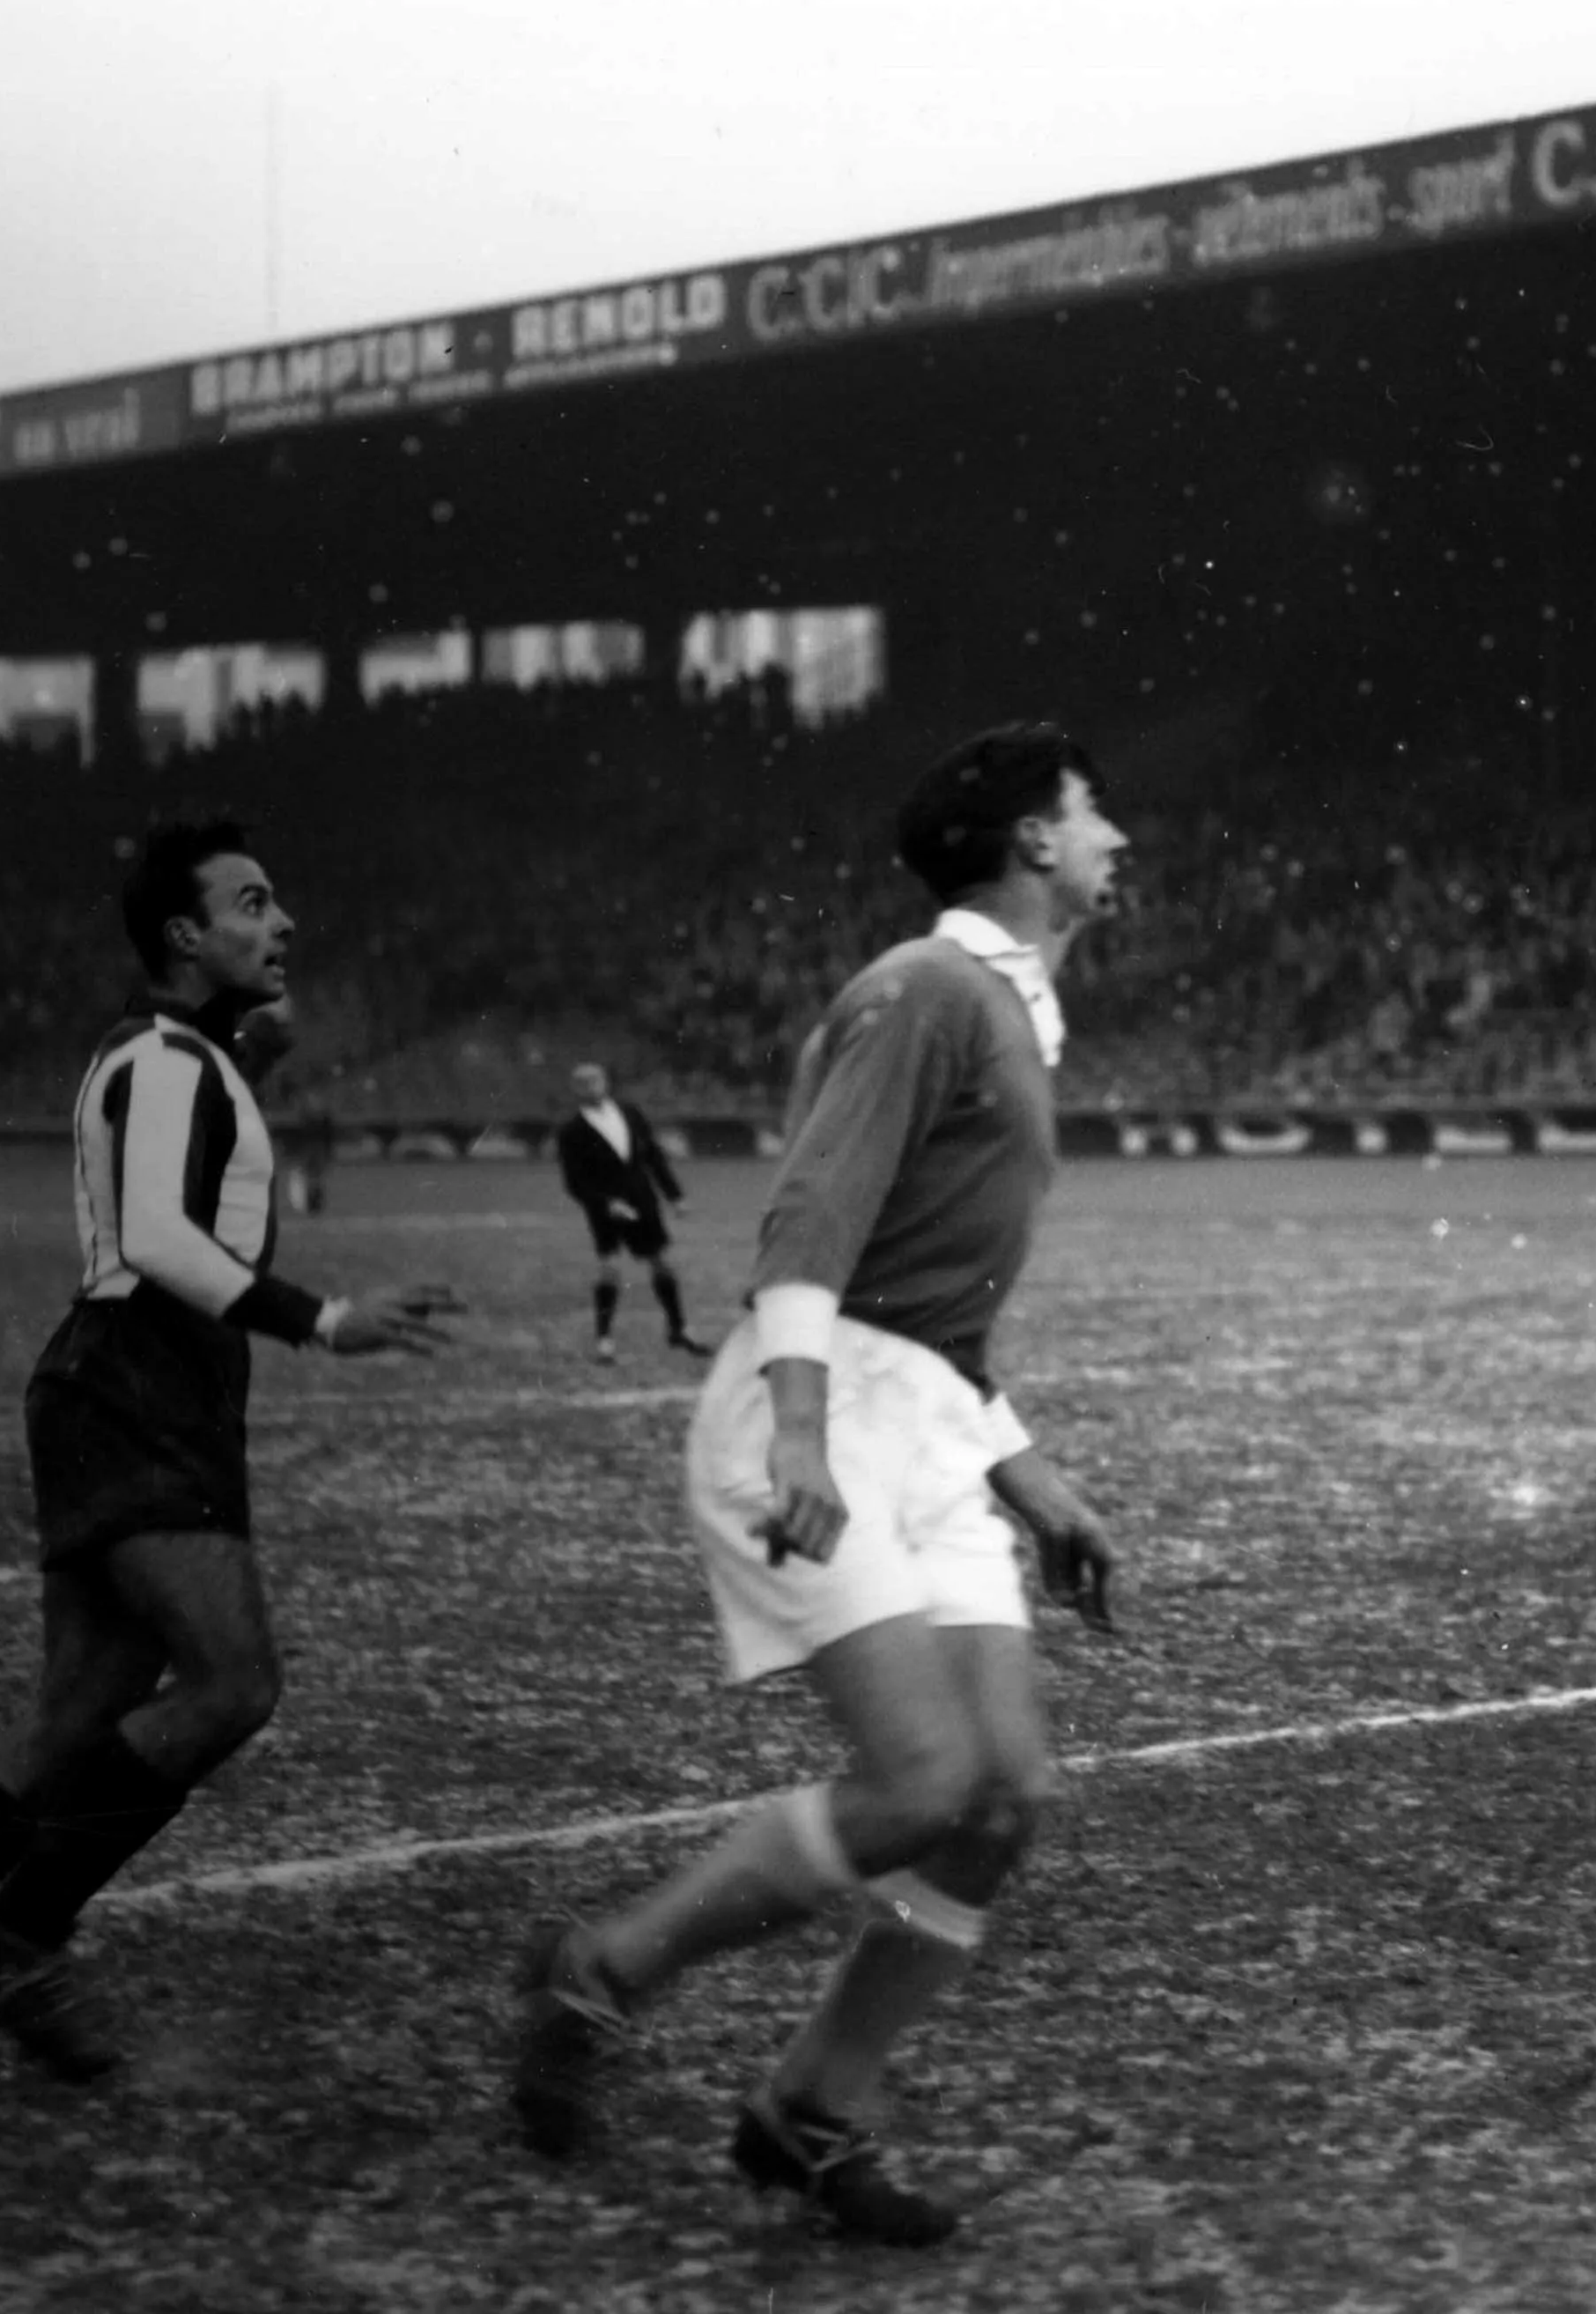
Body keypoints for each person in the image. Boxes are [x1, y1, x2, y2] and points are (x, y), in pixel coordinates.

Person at [512, 722, 1127, 2246]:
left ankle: (807, 2112)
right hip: (821, 1405)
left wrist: (1031, 1480)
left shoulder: (1006, 1006)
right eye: (1091, 808)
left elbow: (942, 1318)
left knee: (1000, 1801)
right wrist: (795, 1435)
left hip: (920, 1416)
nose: (1118, 831)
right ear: (1033, 843)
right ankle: (601, 1967)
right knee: (922, 1782)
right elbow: (807, 1228)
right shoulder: (925, 990)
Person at [0, 817, 455, 2074]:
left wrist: (246, 1056)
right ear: (183, 937)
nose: (284, 924)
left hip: (139, 1382)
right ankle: (18, 1936)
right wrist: (325, 1319)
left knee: (77, 1708)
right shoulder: (163, 1061)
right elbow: (155, 1234)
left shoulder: (182, 1061)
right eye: (253, 905)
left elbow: (178, 1206)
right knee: (231, 1683)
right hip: (137, 1381)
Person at [554, 1061, 707, 1363]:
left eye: (595, 1080)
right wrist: (606, 1204)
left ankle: (678, 1329)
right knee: (609, 1268)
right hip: (606, 1208)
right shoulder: (571, 1130)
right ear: (575, 1089)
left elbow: (653, 1157)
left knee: (662, 1263)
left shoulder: (630, 1114)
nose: (591, 1087)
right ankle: (604, 1341)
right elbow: (574, 1182)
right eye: (583, 1083)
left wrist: (674, 1196)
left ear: (605, 1082)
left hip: (642, 1200)